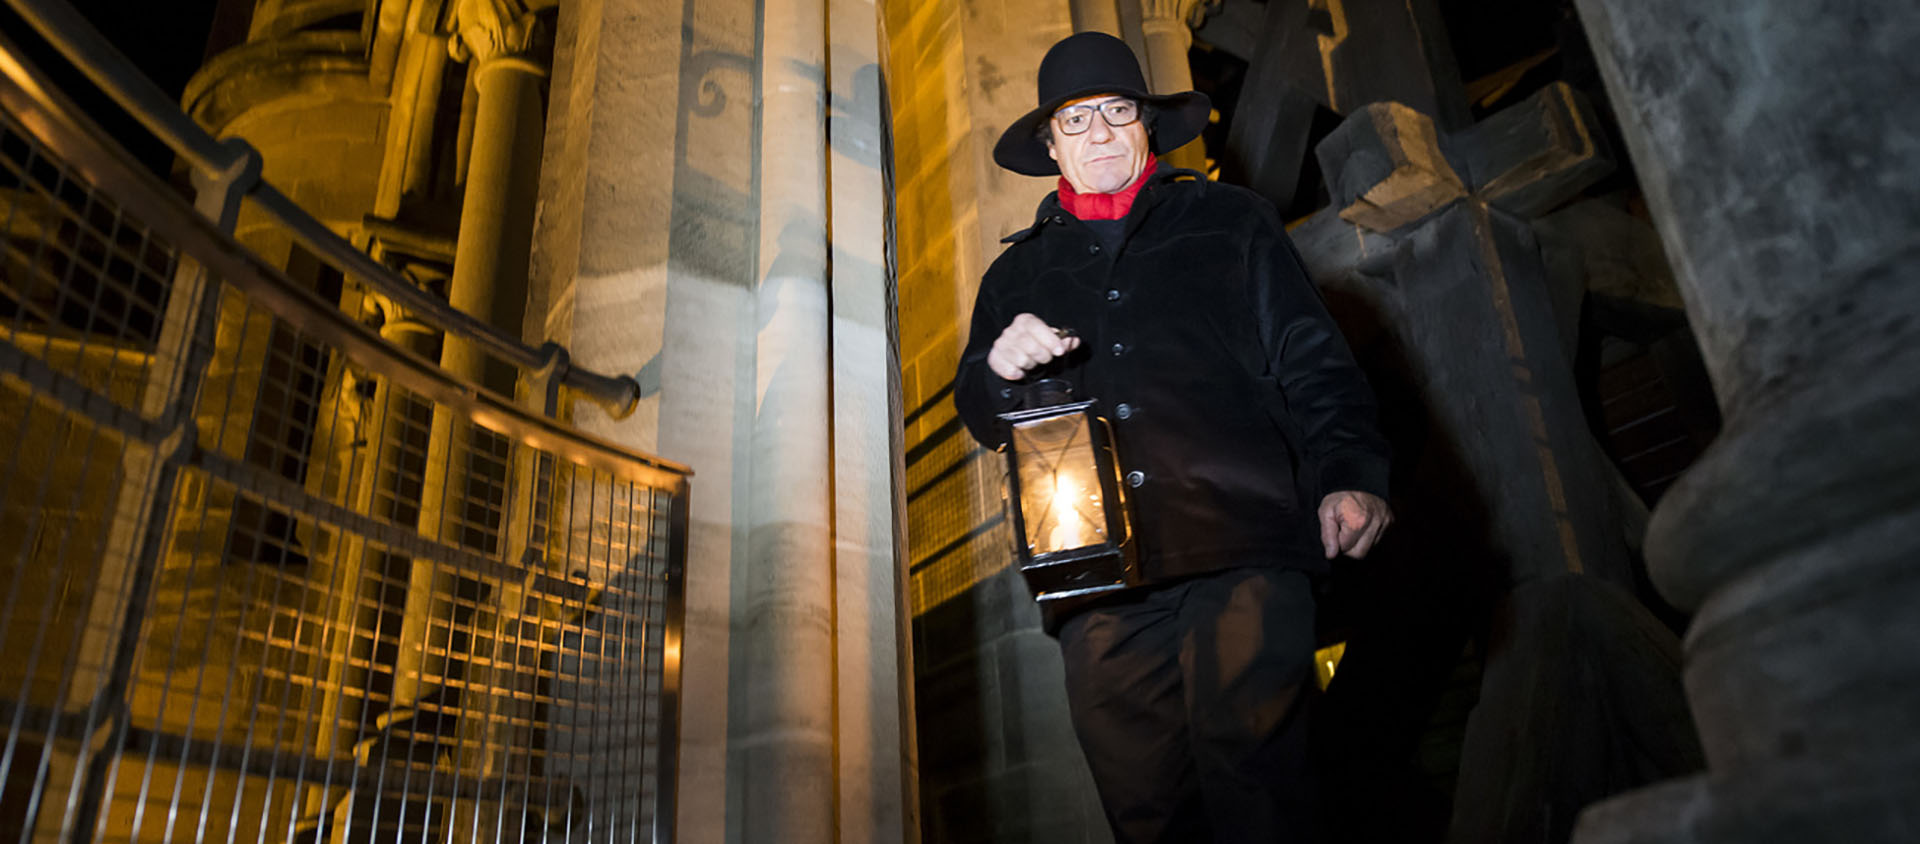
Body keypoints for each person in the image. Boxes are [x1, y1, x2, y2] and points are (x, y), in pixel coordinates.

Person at [952, 32, 1394, 844]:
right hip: (1095, 586)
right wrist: (996, 368)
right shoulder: (1013, 278)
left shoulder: (1230, 220)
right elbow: (980, 414)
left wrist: (1350, 473)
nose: (1100, 134)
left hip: (1244, 542)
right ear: (1050, 145)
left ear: (1146, 125)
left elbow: (1314, 361)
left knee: (1262, 793)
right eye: (1076, 121)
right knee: (1150, 819)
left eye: (1117, 112)